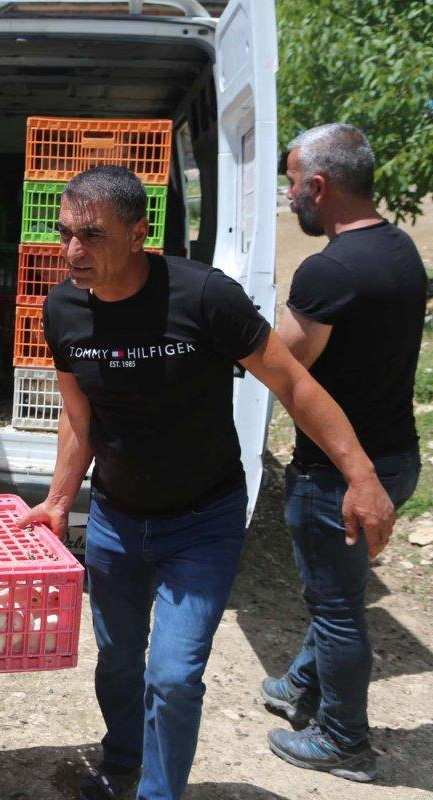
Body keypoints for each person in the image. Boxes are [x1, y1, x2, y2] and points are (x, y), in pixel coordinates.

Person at [17, 166, 395, 800]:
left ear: (138, 234)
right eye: (65, 233)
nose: (73, 251)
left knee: (172, 676)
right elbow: (78, 415)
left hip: (202, 522)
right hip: (114, 521)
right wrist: (59, 501)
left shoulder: (203, 296)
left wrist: (362, 475)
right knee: (117, 660)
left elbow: (293, 383)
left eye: (93, 235)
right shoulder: (63, 309)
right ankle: (122, 761)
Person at [259, 124, 425, 782]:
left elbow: (284, 366)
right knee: (340, 590)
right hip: (397, 459)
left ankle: (343, 740)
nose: (289, 195)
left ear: (320, 186)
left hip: (340, 475)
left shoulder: (328, 270)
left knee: (336, 607)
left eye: (292, 182)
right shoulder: (400, 249)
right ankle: (302, 688)